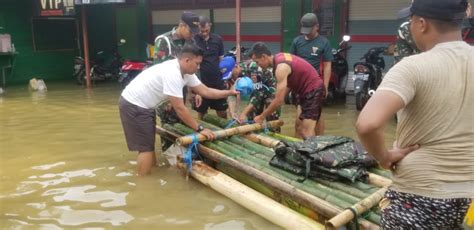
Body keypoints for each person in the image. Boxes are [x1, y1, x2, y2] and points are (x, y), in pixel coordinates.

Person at [355, 0, 473, 228]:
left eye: (410, 21)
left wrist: (385, 157)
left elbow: (367, 125)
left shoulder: (412, 67)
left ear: (421, 24)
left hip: (420, 194)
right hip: (469, 197)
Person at [119, 42, 238, 176]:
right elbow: (180, 109)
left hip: (145, 106)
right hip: (134, 105)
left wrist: (228, 92)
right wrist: (199, 129)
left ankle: (152, 173)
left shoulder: (186, 72)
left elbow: (206, 91)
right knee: (145, 148)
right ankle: (143, 184)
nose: (198, 67)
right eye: (197, 64)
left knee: (148, 144)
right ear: (187, 60)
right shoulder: (172, 73)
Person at [248, 42, 324, 139]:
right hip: (302, 91)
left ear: (264, 56)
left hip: (313, 90)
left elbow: (279, 101)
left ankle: (314, 152)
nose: (258, 65)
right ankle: (302, 149)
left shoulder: (281, 68)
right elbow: (286, 87)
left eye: (257, 62)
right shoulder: (279, 57)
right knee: (298, 127)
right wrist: (277, 96)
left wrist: (261, 117)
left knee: (306, 131)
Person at [153, 11, 199, 151]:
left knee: (181, 122)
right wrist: (167, 100)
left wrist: (194, 92)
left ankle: (179, 155)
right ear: (182, 25)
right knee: (169, 126)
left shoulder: (190, 41)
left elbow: (192, 69)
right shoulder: (164, 40)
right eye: (191, 30)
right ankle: (170, 157)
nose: (193, 34)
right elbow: (158, 69)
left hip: (181, 92)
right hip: (166, 94)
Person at [290, 13, 333, 136]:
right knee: (299, 119)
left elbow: (327, 65)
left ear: (317, 27)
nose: (306, 33)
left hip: (315, 85)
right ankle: (299, 144)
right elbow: (291, 63)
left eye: (309, 30)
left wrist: (325, 86)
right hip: (299, 85)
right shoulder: (297, 41)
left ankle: (319, 141)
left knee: (317, 115)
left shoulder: (324, 42)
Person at [192, 16, 227, 120]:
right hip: (201, 83)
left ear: (210, 26)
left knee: (222, 112)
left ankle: (226, 132)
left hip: (217, 82)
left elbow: (221, 59)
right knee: (201, 112)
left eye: (206, 30)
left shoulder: (218, 39)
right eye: (201, 31)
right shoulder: (194, 40)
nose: (204, 33)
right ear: (198, 27)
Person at [238, 62, 280, 128]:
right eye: (252, 75)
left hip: (270, 92)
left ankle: (274, 132)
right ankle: (254, 129)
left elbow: (258, 96)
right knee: (252, 112)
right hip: (257, 92)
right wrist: (234, 113)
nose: (253, 77)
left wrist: (243, 113)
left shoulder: (266, 74)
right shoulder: (242, 71)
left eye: (255, 75)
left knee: (272, 111)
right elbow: (235, 93)